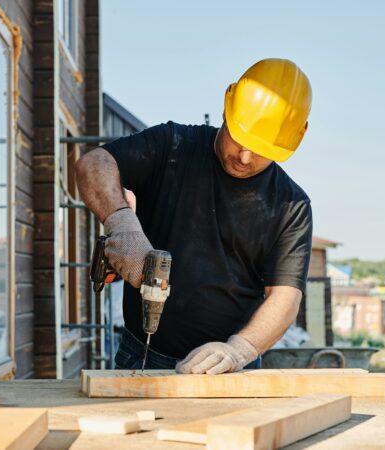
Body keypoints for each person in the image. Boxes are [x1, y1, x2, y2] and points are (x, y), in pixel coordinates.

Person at [75, 59, 313, 374]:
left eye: (260, 149)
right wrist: (122, 224)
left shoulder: (291, 205)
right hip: (144, 355)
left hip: (229, 367)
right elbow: (94, 164)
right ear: (227, 110)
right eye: (240, 139)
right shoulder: (172, 146)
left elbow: (285, 298)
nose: (244, 157)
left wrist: (239, 350)